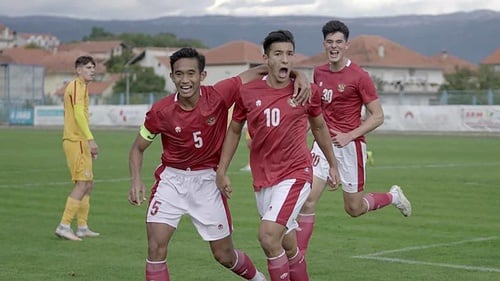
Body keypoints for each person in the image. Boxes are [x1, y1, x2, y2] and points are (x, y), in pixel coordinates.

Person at [128, 47, 310, 281]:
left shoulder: (219, 94)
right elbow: (137, 148)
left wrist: (298, 75)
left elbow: (263, 69)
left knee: (224, 255)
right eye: (179, 74)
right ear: (172, 76)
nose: (185, 80)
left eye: (191, 73)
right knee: (156, 249)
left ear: (202, 76)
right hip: (171, 181)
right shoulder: (160, 111)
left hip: (207, 182)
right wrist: (135, 180)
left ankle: (258, 279)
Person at [216, 30, 339, 281]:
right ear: (266, 58)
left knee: (268, 236)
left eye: (289, 54)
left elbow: (318, 127)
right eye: (278, 54)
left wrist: (333, 164)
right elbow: (235, 130)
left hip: (295, 174)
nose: (285, 60)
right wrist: (222, 169)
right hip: (264, 179)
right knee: (288, 244)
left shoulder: (306, 91)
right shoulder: (248, 92)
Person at [296, 20, 412, 256]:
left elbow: (377, 116)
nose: (334, 46)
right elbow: (317, 113)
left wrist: (350, 135)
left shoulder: (359, 76)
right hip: (323, 146)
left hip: (350, 148)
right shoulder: (319, 72)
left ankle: (393, 196)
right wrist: (304, 135)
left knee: (354, 208)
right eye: (329, 42)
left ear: (346, 45)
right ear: (324, 44)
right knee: (307, 201)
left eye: (339, 42)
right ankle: (298, 260)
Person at [55, 55, 100, 241]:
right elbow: (79, 115)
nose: (92, 70)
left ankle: (82, 226)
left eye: (93, 67)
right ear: (79, 70)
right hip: (76, 141)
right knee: (82, 183)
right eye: (88, 67)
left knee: (88, 184)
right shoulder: (76, 86)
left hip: (80, 141)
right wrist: (90, 140)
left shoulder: (83, 87)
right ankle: (64, 225)